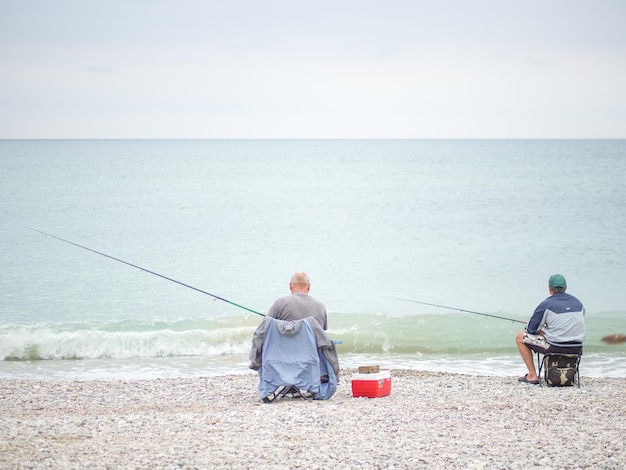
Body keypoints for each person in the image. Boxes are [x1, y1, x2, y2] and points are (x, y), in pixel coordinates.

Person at [515, 274, 586, 384]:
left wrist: (542, 331)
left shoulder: (546, 304)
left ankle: (532, 376)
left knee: (520, 336)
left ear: (550, 289)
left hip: (555, 347)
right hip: (576, 348)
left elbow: (530, 329)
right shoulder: (578, 303)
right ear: (565, 287)